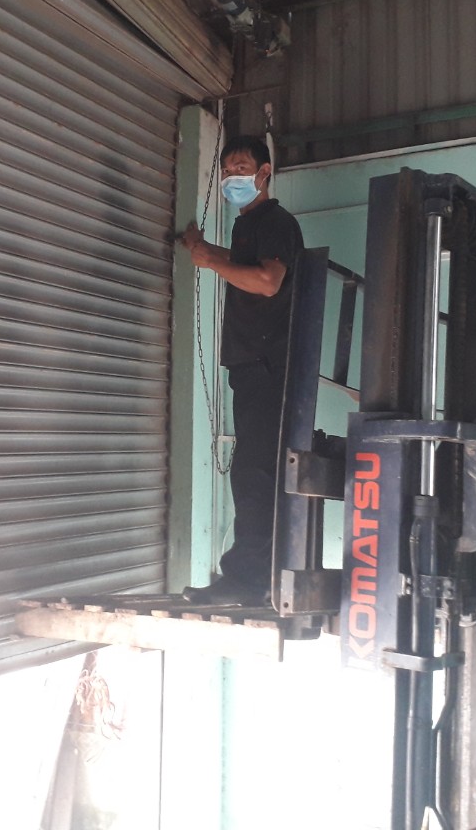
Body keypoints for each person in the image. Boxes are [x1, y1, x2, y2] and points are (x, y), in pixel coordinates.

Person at [178, 134, 304, 607]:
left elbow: (268, 281)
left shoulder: (275, 222)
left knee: (254, 473)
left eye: (242, 168)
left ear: (265, 173)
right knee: (255, 472)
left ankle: (248, 581)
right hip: (252, 365)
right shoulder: (249, 225)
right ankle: (259, 580)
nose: (233, 177)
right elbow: (242, 264)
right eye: (228, 170)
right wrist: (202, 246)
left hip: (268, 365)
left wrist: (209, 259)